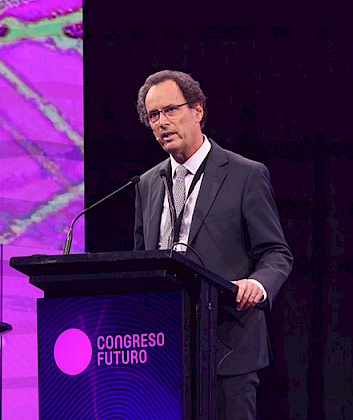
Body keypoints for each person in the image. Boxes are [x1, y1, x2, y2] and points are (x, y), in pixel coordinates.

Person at [133, 70, 293, 419]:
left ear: (198, 110)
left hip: (228, 347)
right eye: (154, 115)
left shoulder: (245, 174)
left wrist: (257, 284)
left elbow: (276, 253)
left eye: (170, 110)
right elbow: (142, 262)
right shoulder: (147, 183)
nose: (162, 122)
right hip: (163, 350)